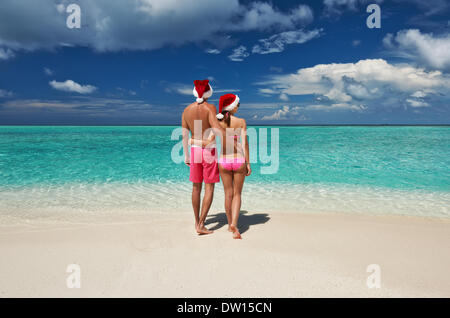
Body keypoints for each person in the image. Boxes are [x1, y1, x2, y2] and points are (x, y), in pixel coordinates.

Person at [191, 93, 251, 239]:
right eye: (237, 104)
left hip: (223, 161)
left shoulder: (216, 123)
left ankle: (230, 221)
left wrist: (192, 141)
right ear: (231, 106)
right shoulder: (241, 121)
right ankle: (234, 225)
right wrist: (248, 163)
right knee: (237, 194)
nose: (238, 107)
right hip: (238, 160)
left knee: (228, 193)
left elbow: (208, 142)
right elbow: (245, 144)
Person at [181, 79, 223, 235]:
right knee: (209, 187)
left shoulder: (186, 110)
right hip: (208, 152)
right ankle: (201, 224)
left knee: (195, 187)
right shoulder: (210, 108)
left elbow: (185, 135)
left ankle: (196, 221)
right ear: (208, 92)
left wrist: (186, 155)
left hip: (194, 151)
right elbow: (217, 130)